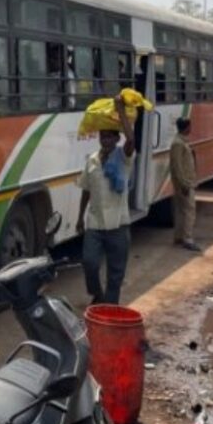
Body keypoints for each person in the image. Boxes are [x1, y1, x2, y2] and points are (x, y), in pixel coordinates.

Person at [77, 95, 136, 304]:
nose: (106, 140)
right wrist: (79, 218)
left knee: (115, 273)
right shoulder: (92, 160)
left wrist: (120, 110)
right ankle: (97, 295)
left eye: (110, 137)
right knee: (89, 263)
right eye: (103, 137)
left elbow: (131, 140)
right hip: (95, 223)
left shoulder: (123, 158)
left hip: (118, 225)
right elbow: (85, 189)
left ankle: (109, 308)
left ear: (116, 139)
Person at [169, 117, 200, 252]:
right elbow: (177, 167)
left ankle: (179, 237)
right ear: (187, 127)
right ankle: (187, 238)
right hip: (184, 183)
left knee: (181, 210)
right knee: (189, 211)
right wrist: (184, 184)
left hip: (185, 182)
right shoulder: (178, 144)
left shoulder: (182, 142)